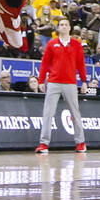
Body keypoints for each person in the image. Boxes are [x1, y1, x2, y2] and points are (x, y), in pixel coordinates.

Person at [35, 19, 87, 153]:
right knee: (48, 113)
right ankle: (44, 144)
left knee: (75, 113)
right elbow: (44, 64)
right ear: (58, 28)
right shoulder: (52, 44)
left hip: (70, 82)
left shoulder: (77, 44)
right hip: (53, 82)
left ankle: (80, 143)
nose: (63, 27)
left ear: (70, 28)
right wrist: (41, 81)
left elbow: (81, 64)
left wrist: (84, 81)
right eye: (61, 25)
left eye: (66, 25)